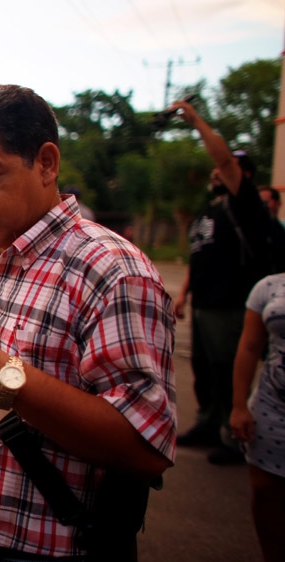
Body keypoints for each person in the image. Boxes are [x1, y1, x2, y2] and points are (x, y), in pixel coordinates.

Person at [0, 85, 175, 560]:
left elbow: (145, 448)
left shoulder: (112, 270)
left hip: (49, 547)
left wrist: (4, 377)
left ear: (45, 162)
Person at [172, 101, 284, 466]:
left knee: (225, 370)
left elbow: (224, 161)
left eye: (229, 169)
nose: (216, 172)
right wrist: (184, 295)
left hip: (230, 303)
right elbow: (198, 255)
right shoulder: (210, 210)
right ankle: (208, 424)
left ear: (242, 175)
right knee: (204, 371)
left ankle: (233, 435)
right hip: (205, 301)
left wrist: (196, 122)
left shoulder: (243, 205)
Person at [230, 272, 285, 562]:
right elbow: (249, 347)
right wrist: (239, 406)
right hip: (272, 408)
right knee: (266, 494)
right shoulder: (269, 287)